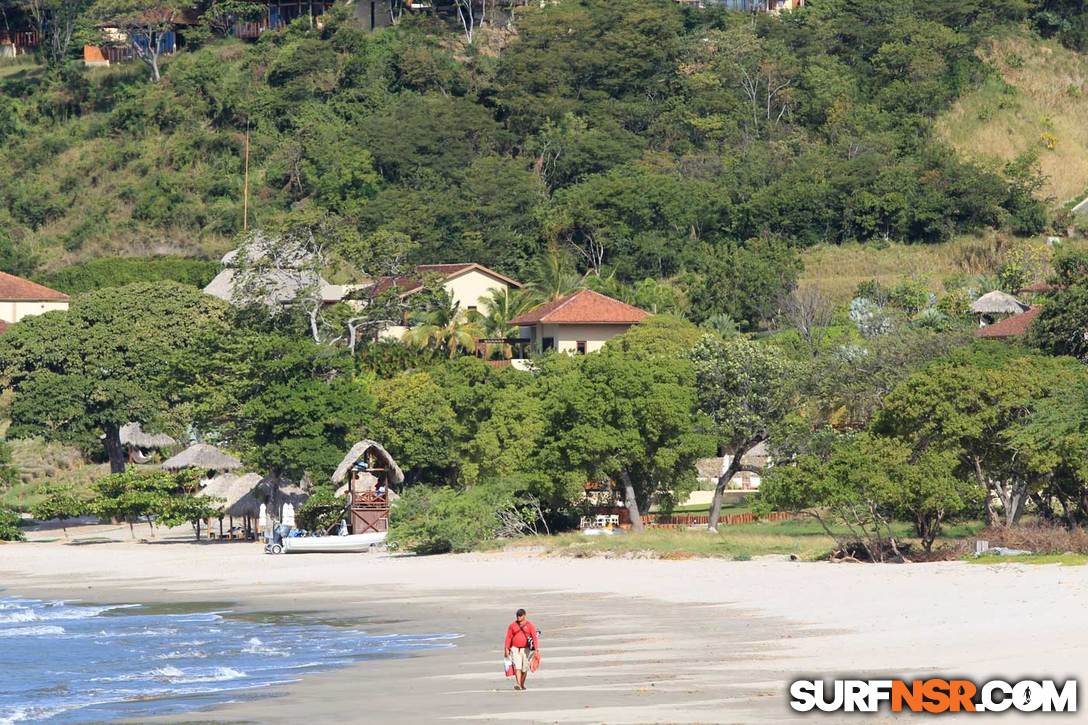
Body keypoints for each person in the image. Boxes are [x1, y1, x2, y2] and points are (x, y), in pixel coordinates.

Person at [503, 608, 540, 691]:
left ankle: (522, 684)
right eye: (517, 615)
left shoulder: (530, 625)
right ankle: (518, 684)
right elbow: (508, 638)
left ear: (524, 615)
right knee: (517, 667)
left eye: (520, 615)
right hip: (515, 649)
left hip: (526, 649)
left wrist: (536, 649)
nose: (518, 617)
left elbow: (534, 637)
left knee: (524, 668)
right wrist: (506, 649)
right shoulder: (512, 625)